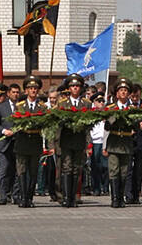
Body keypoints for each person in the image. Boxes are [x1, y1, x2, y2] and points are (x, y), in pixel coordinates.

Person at [102, 78, 142, 208]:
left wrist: (137, 123)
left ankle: (121, 198)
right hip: (114, 143)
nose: (123, 93)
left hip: (126, 143)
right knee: (114, 170)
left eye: (126, 90)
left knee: (124, 171)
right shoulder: (111, 108)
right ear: (117, 94)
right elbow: (107, 127)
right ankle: (114, 198)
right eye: (121, 90)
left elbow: (136, 127)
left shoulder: (132, 108)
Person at [55, 73, 92, 208]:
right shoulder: (62, 103)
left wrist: (88, 143)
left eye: (77, 86)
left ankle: (73, 197)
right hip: (66, 140)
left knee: (77, 169)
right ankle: (66, 197)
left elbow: (89, 125)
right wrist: (56, 143)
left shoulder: (86, 104)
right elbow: (57, 125)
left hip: (79, 140)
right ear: (69, 88)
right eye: (72, 86)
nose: (75, 88)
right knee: (66, 168)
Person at [13, 76, 46, 208]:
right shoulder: (19, 106)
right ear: (26, 91)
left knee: (33, 171)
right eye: (30, 88)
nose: (33, 91)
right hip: (22, 141)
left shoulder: (42, 107)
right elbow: (15, 122)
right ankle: (23, 197)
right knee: (21, 171)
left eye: (35, 88)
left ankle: (30, 198)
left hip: (35, 141)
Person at [0, 83, 18, 205]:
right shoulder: (1, 107)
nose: (15, 94)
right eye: (13, 92)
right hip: (5, 142)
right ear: (8, 93)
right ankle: (3, 195)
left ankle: (16, 195)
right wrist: (4, 131)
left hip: (18, 143)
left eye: (17, 92)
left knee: (17, 171)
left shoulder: (21, 106)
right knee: (4, 170)